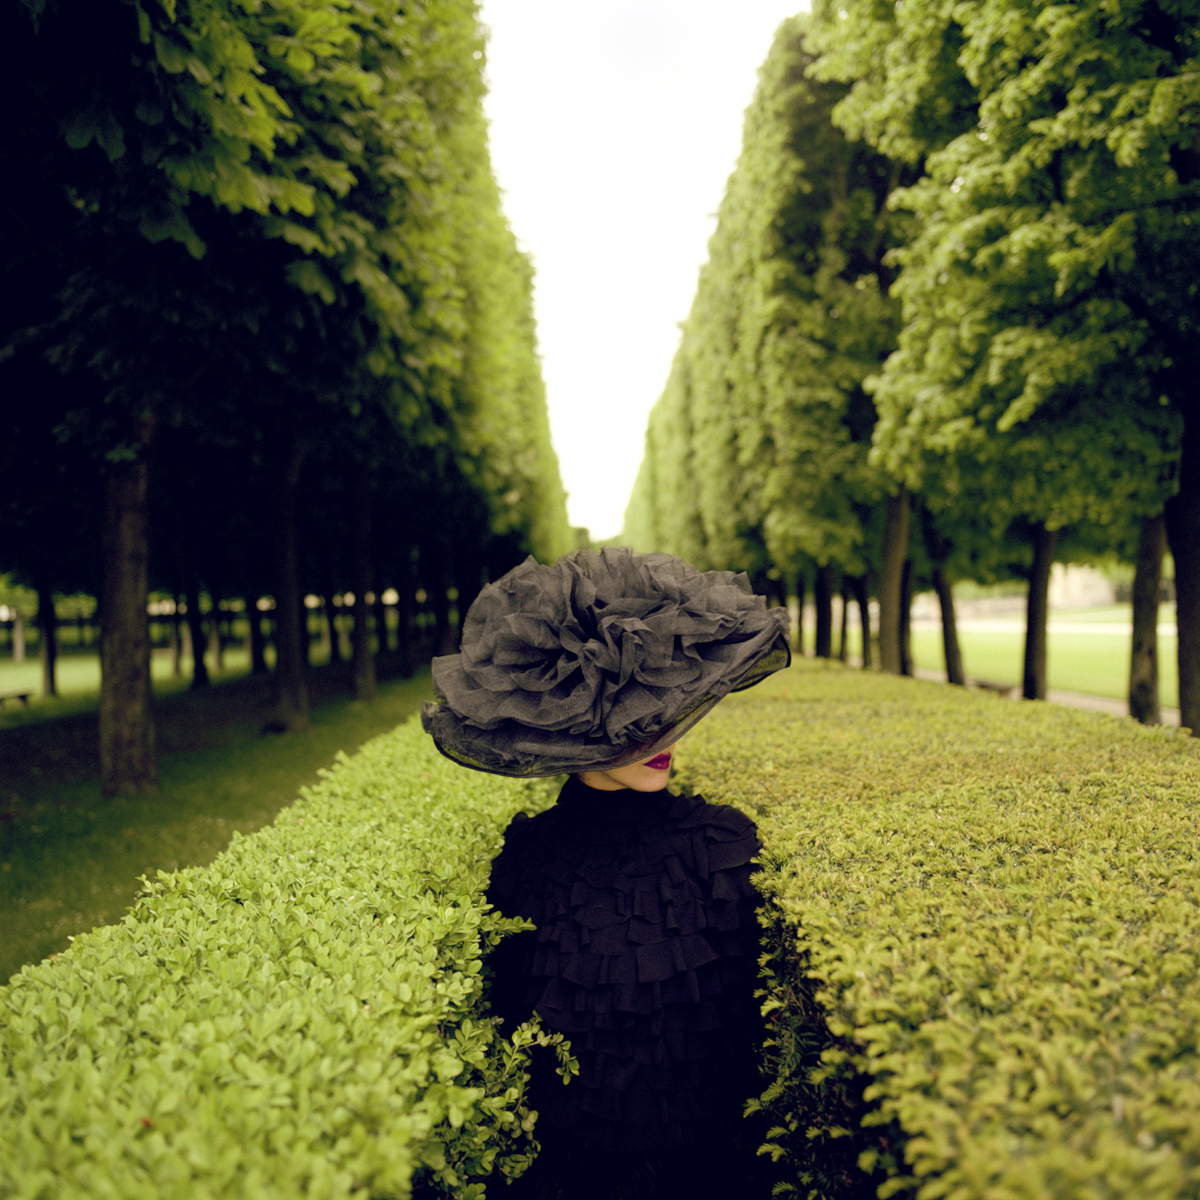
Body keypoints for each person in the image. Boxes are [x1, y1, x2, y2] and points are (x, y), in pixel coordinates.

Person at [422, 547, 790, 1200]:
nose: (662, 735)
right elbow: (516, 1034)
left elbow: (748, 1051)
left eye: (664, 705)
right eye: (628, 713)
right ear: (570, 721)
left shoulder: (722, 846)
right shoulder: (528, 863)